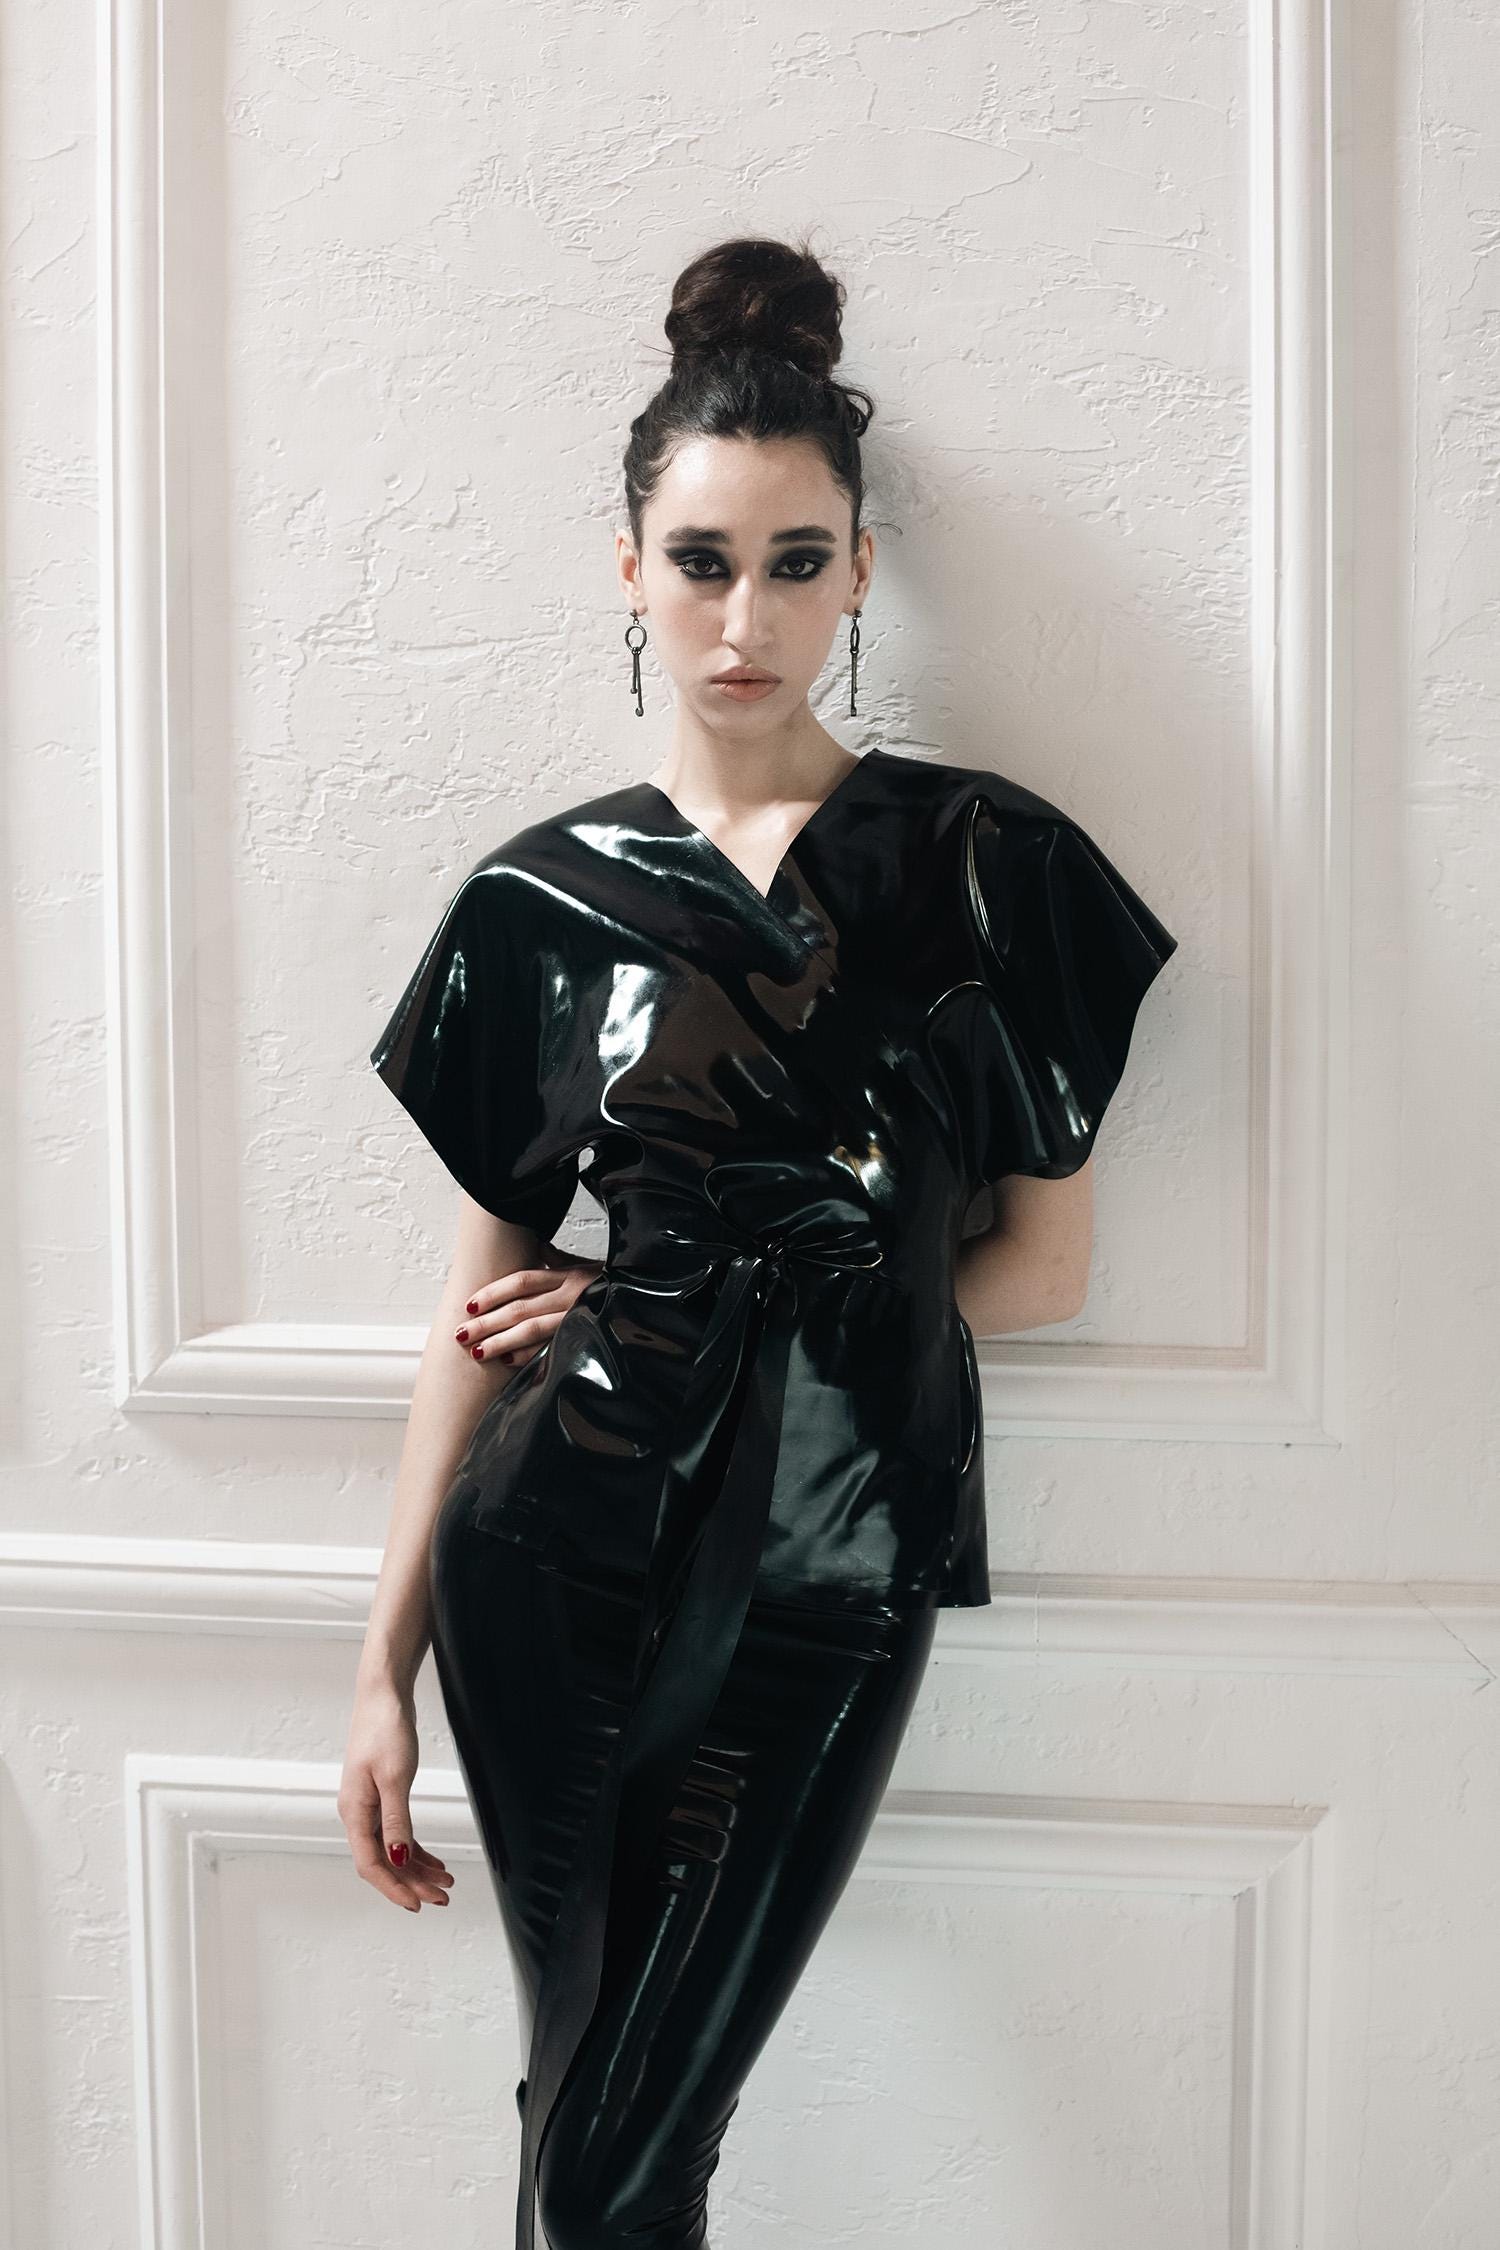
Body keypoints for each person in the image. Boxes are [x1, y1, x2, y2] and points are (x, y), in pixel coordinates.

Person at [340, 233, 1179, 2250]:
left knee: (621, 2151)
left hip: (833, 1562)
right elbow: (470, 1309)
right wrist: (377, 1669)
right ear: (627, 571)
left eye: (796, 563)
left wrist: (753, 1293)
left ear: (862, 571)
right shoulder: (540, 907)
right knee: (588, 2114)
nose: (746, 617)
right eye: (702, 562)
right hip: (548, 1557)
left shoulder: (990, 866)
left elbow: (1045, 1267)